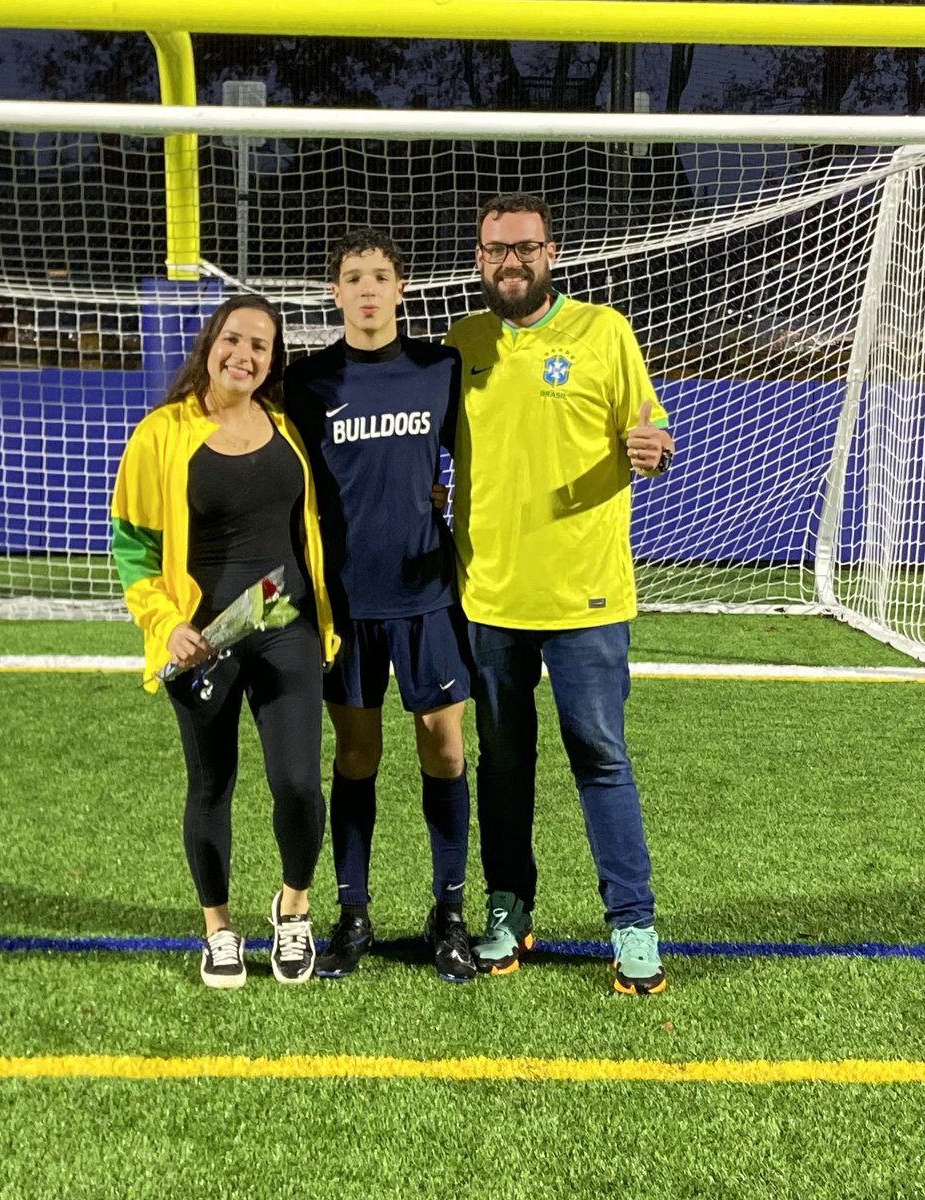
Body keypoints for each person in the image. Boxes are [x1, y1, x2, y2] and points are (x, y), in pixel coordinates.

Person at [445, 193, 675, 995]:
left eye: (526, 248)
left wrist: (652, 448)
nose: (511, 262)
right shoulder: (461, 344)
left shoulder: (604, 332)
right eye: (495, 250)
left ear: (552, 253)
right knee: (504, 763)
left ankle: (633, 923)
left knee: (601, 758)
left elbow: (651, 434)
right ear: (479, 259)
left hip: (588, 600)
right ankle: (509, 909)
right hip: (489, 597)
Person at [111, 295, 339, 989]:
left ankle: (293, 909)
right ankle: (219, 929)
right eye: (233, 339)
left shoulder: (287, 427)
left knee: (298, 785)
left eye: (261, 346)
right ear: (211, 343)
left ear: (273, 361)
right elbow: (132, 549)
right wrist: (166, 625)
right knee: (211, 785)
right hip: (205, 642)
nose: (244, 354)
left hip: (285, 626)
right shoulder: (161, 434)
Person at [284, 229, 476, 984]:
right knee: (357, 754)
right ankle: (353, 912)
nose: (367, 289)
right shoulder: (309, 381)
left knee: (445, 748)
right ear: (336, 293)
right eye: (353, 277)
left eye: (381, 276)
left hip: (428, 598)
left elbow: (486, 452)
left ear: (403, 288)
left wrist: (450, 502)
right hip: (346, 605)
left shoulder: (439, 369)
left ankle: (449, 913)